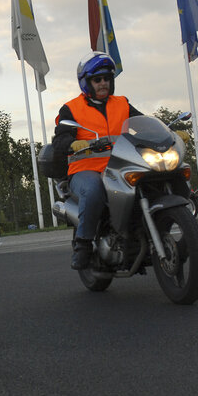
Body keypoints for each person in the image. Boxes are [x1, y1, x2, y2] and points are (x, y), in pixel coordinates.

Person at [51, 52, 144, 271]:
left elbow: (142, 122)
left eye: (107, 78)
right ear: (87, 82)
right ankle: (83, 245)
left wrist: (168, 130)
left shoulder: (122, 103)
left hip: (121, 166)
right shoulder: (71, 108)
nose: (103, 83)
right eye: (97, 79)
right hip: (85, 169)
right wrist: (72, 143)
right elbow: (61, 137)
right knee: (93, 190)